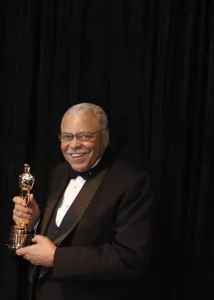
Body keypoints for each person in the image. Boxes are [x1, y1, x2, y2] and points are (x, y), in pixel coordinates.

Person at [13, 103, 153, 300]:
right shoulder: (60, 172)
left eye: (85, 136)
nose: (74, 145)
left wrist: (57, 259)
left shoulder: (132, 181)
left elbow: (130, 259)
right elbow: (61, 233)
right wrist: (36, 221)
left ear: (105, 137)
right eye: (67, 136)